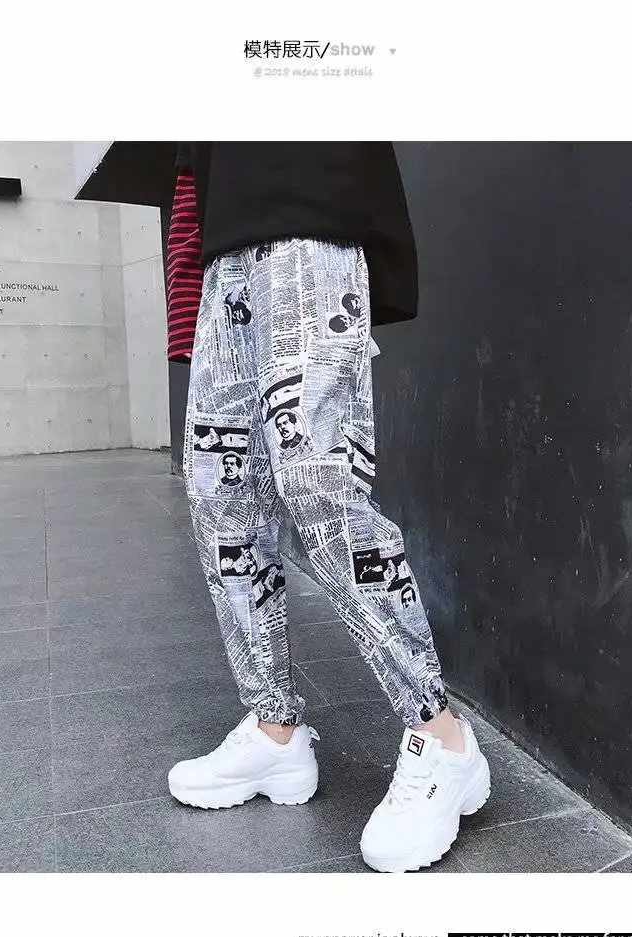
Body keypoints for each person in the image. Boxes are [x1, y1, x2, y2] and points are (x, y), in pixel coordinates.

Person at [166, 142, 491, 873]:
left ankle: (443, 737)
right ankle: (275, 730)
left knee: (320, 489)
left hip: (309, 229)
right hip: (225, 257)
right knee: (219, 494)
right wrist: (192, 289)